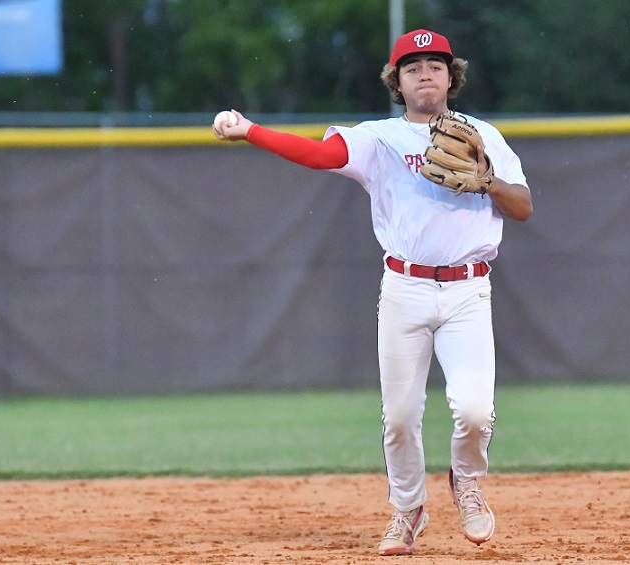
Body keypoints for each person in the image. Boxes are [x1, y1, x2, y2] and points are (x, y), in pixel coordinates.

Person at [213, 29, 532, 556]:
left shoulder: (484, 136)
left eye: (435, 65)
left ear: (452, 78)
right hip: (405, 287)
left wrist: (487, 179)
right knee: (400, 417)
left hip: (468, 292)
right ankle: (408, 509)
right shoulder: (378, 138)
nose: (424, 73)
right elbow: (318, 156)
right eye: (412, 67)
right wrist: (251, 130)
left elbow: (521, 207)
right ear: (396, 82)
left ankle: (466, 482)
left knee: (475, 412)